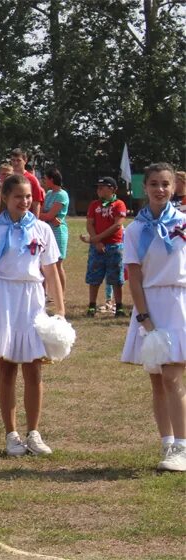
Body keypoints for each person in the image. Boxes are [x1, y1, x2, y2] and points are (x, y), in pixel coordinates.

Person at [0, 174, 65, 456]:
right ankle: (11, 434)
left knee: (34, 368)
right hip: (3, 299)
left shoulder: (42, 229)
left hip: (32, 300)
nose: (24, 202)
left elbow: (51, 271)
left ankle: (34, 433)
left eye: (28, 197)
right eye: (18, 197)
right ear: (5, 198)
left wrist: (60, 310)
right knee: (7, 368)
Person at [120, 162, 186, 471]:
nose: (160, 189)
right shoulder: (134, 230)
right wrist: (143, 316)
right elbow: (133, 275)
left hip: (178, 301)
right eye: (154, 184)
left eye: (165, 184)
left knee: (173, 377)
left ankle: (183, 448)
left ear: (174, 188)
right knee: (157, 380)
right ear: (144, 187)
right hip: (149, 303)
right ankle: (167, 442)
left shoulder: (183, 223)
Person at [81, 177, 127, 318]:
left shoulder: (119, 204)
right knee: (94, 277)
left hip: (114, 246)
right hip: (97, 247)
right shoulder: (94, 205)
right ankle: (92, 306)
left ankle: (118, 306)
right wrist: (97, 242)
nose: (99, 189)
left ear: (113, 189)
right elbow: (90, 224)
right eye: (98, 187)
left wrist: (96, 238)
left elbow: (117, 225)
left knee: (116, 278)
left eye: (103, 186)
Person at [39, 168, 69, 292]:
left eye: (45, 179)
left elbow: (49, 215)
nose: (44, 181)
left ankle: (60, 294)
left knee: (57, 263)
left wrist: (37, 214)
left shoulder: (62, 195)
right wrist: (44, 215)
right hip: (46, 231)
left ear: (52, 179)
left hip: (58, 231)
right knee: (45, 264)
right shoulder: (49, 194)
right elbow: (45, 214)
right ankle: (45, 293)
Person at [9, 148, 45, 216]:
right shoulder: (8, 179)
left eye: (18, 160)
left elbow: (36, 204)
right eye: (13, 160)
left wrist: (34, 222)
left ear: (25, 160)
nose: (15, 163)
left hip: (27, 220)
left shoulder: (32, 180)